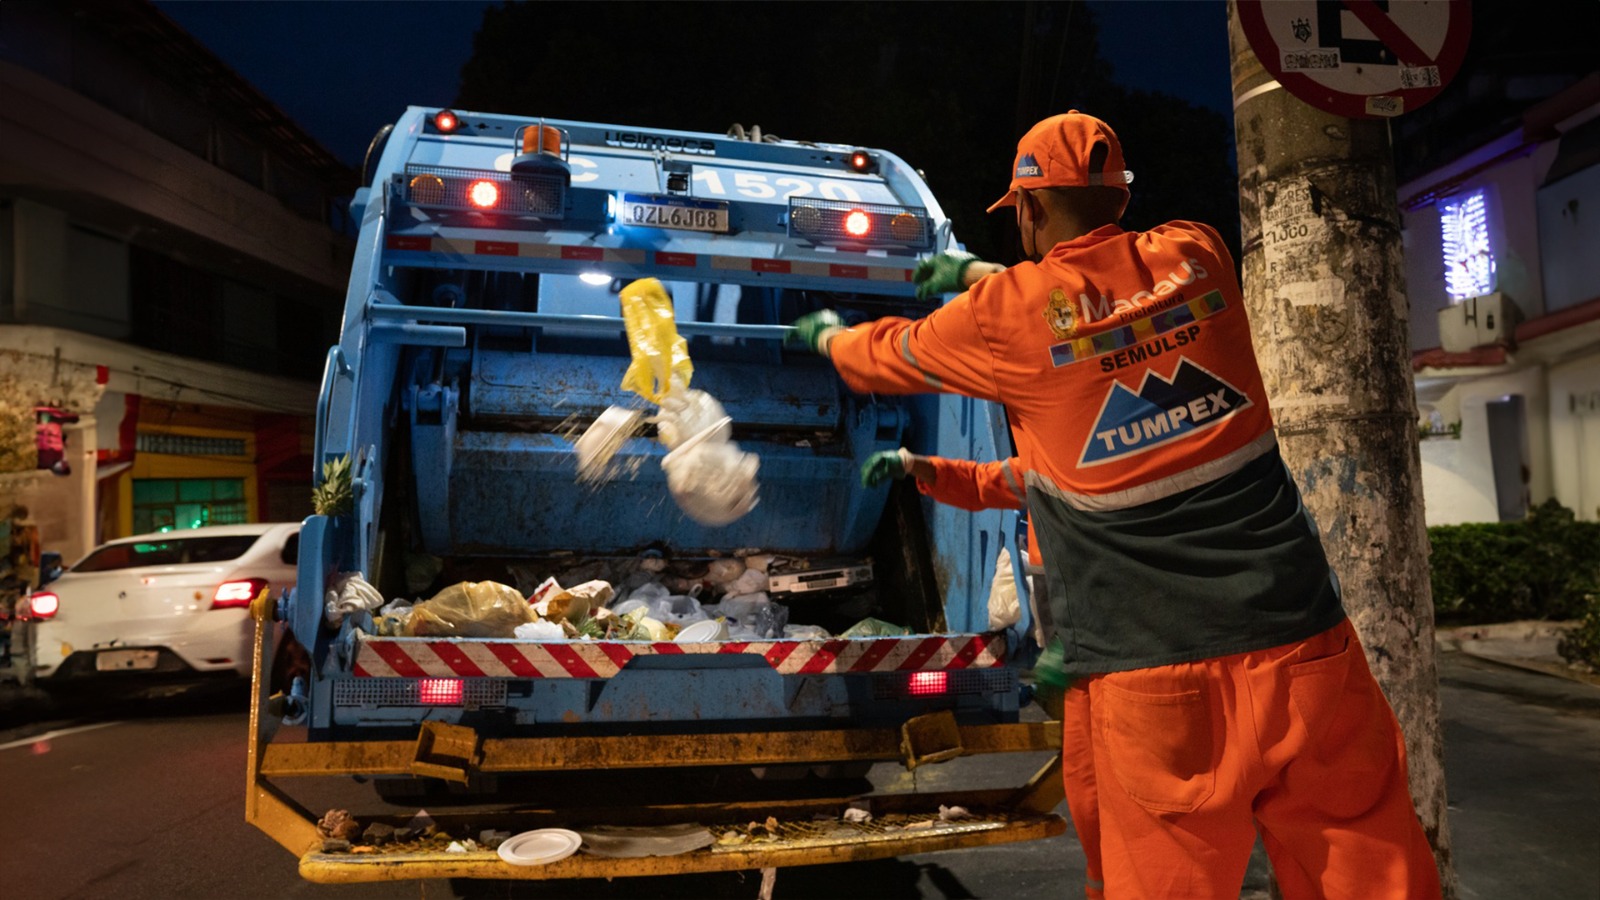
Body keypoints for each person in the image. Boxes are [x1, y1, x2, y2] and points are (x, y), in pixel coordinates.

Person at [791, 111, 1440, 899]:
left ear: (1029, 208)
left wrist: (826, 338)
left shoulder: (1004, 317)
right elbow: (1099, 310)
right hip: (1306, 650)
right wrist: (972, 285)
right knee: (1375, 876)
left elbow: (885, 356)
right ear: (1121, 196)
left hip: (1156, 680)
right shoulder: (1200, 254)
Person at [862, 449, 1105, 899]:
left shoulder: (1110, 462)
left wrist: (1092, 633)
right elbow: (983, 482)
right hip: (1083, 675)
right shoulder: (1046, 459)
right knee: (1094, 812)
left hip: (1121, 670)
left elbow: (1139, 565)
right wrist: (914, 464)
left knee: (1131, 817)